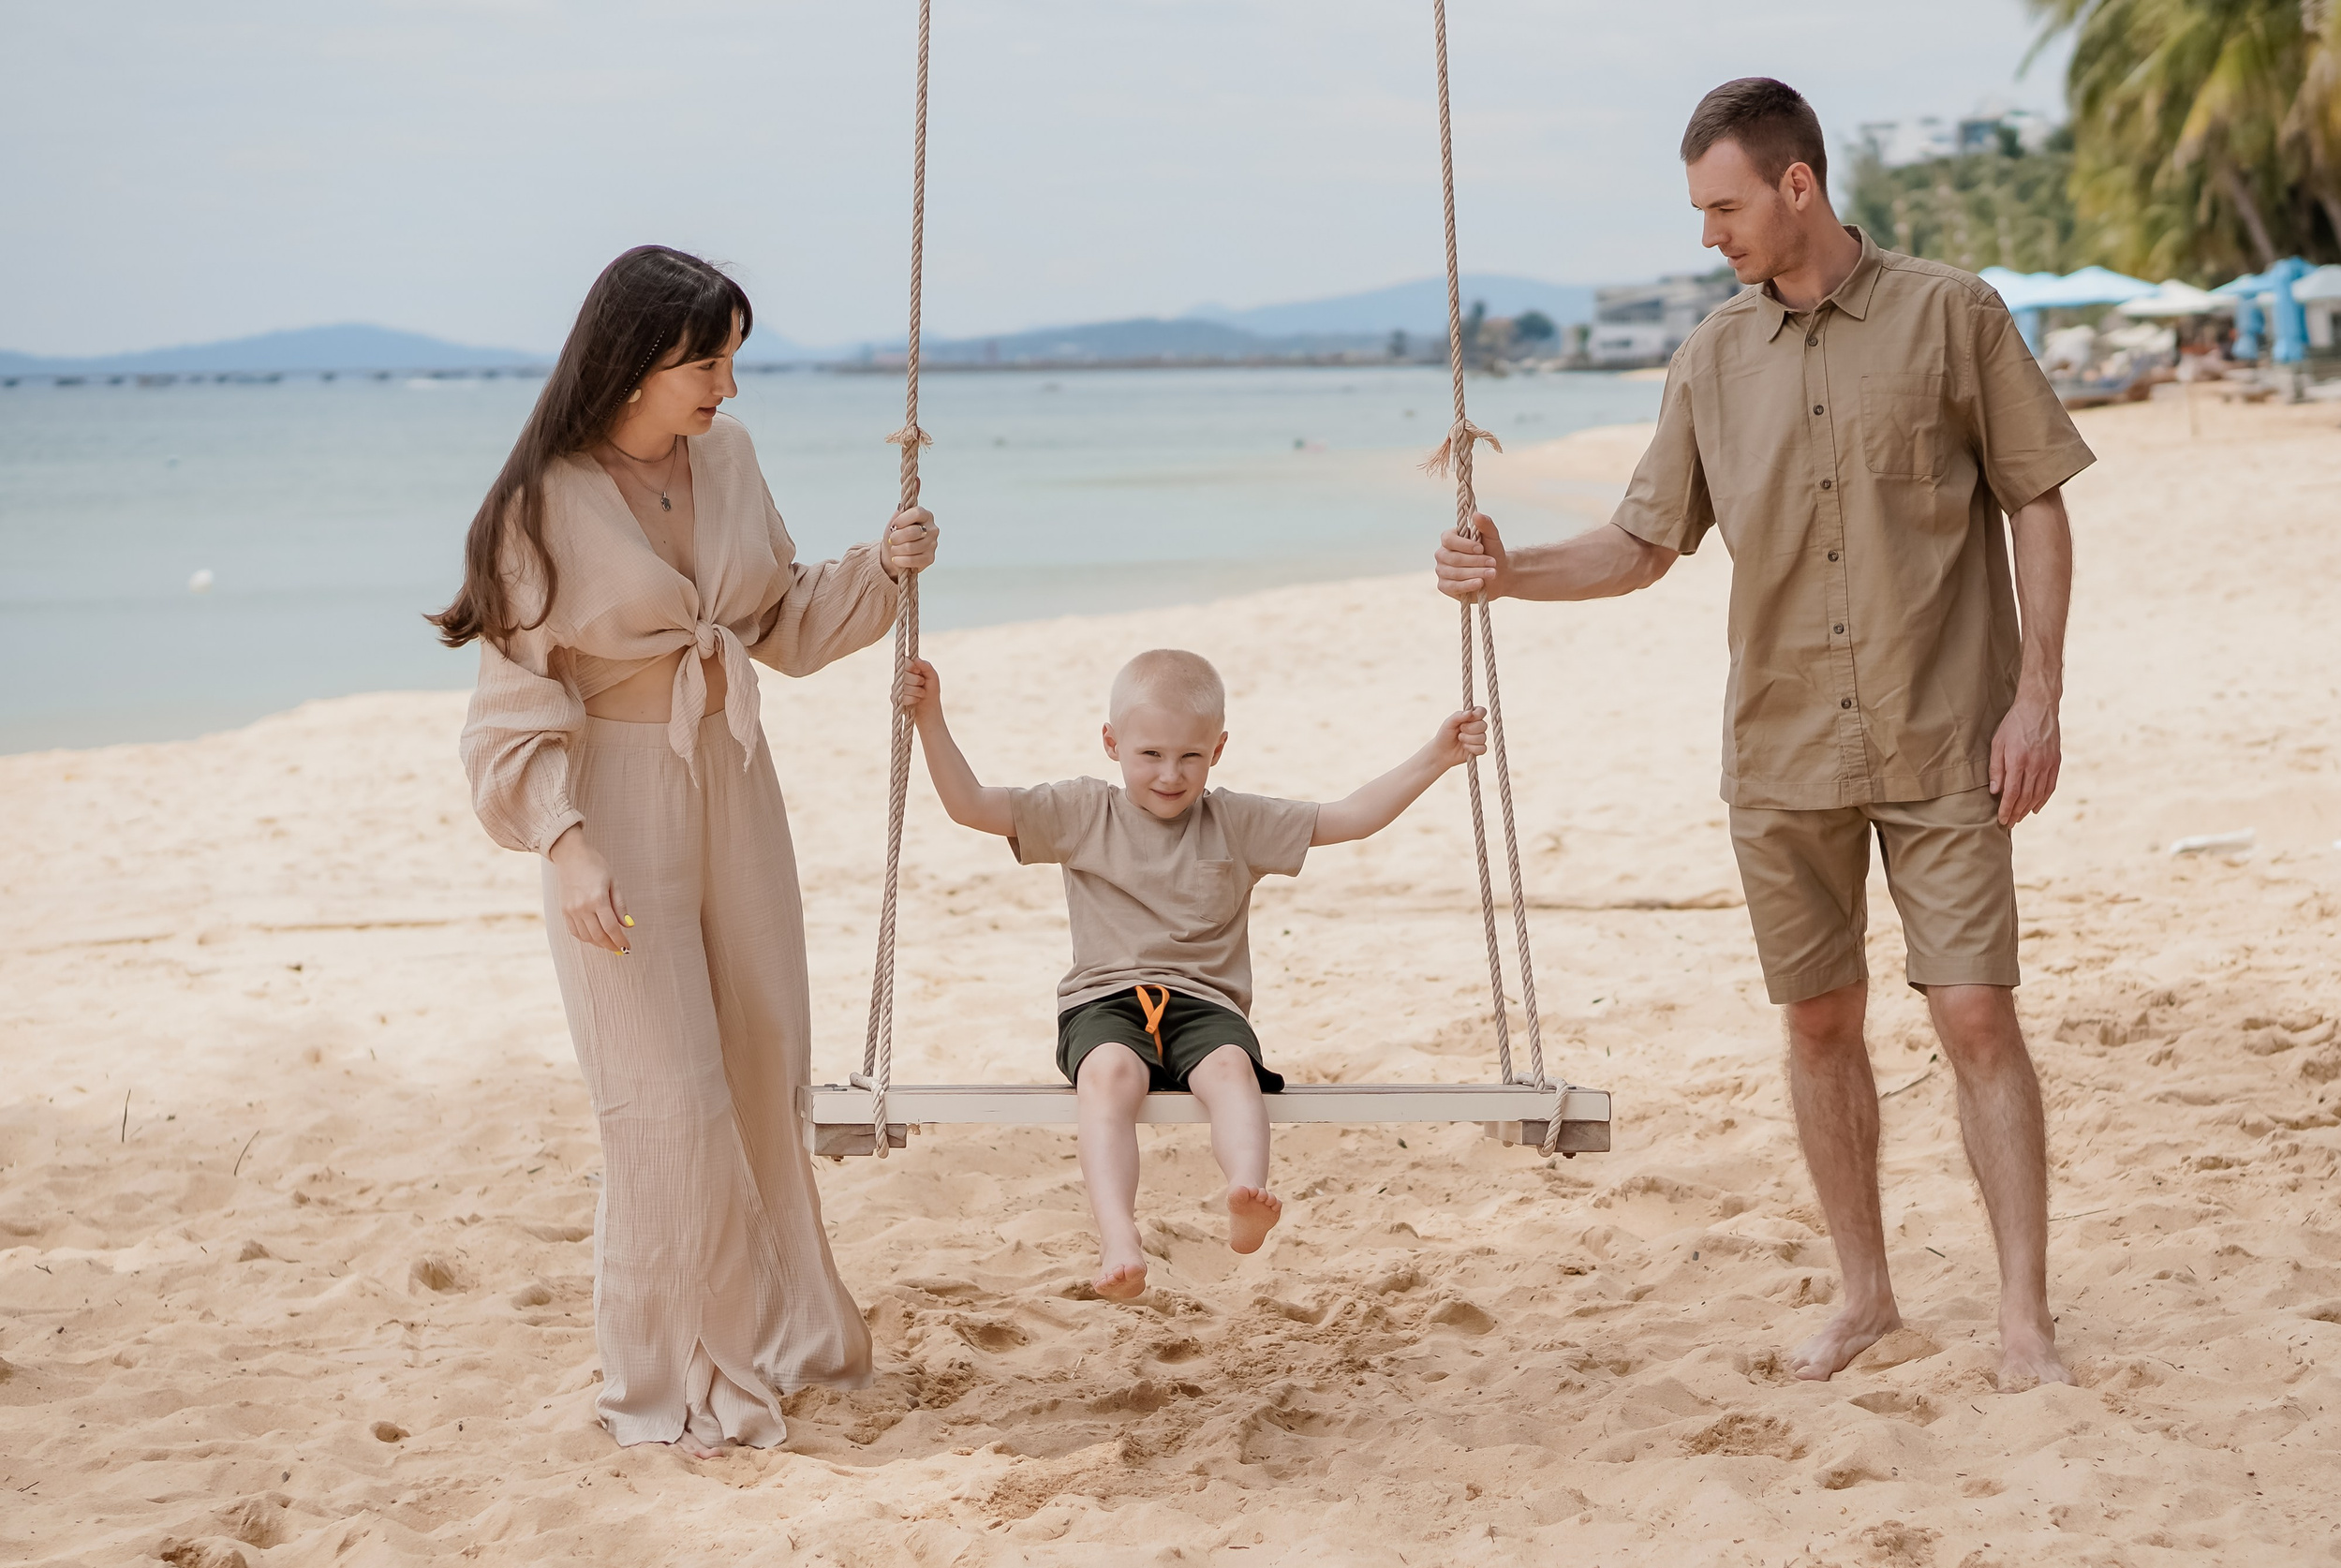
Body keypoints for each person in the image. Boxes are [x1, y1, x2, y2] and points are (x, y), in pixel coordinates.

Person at [1434, 79, 2092, 1389]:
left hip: (1948, 731)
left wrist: (2039, 696)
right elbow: (1638, 549)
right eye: (1698, 210)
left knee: (1974, 1014)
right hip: (1781, 750)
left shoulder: (1952, 313)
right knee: (1818, 1024)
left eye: (1724, 205)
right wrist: (1505, 571)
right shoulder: (1711, 360)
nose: (1708, 235)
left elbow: (2037, 503)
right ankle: (1868, 1295)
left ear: (1798, 186)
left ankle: (2024, 1314)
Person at [431, 245, 940, 1456]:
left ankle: (779, 1338)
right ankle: (665, 1373)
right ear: (634, 361)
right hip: (611, 792)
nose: (727, 384)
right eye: (707, 360)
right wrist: (567, 844)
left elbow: (776, 623)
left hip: (734, 775)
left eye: (732, 358)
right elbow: (508, 710)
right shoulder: (536, 503)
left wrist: (884, 566)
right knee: (663, 1093)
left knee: (763, 1061)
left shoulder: (730, 458)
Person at [898, 648, 1485, 1299]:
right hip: (1106, 999)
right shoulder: (1081, 811)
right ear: (1111, 743)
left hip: (1205, 1004)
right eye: (1149, 755)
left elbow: (1349, 816)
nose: (1171, 775)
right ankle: (1119, 1233)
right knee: (1110, 1075)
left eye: (1190, 756)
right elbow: (970, 804)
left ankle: (1245, 1193)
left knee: (1231, 1069)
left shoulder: (1235, 820)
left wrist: (1437, 756)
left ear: (1218, 749)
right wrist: (930, 717)